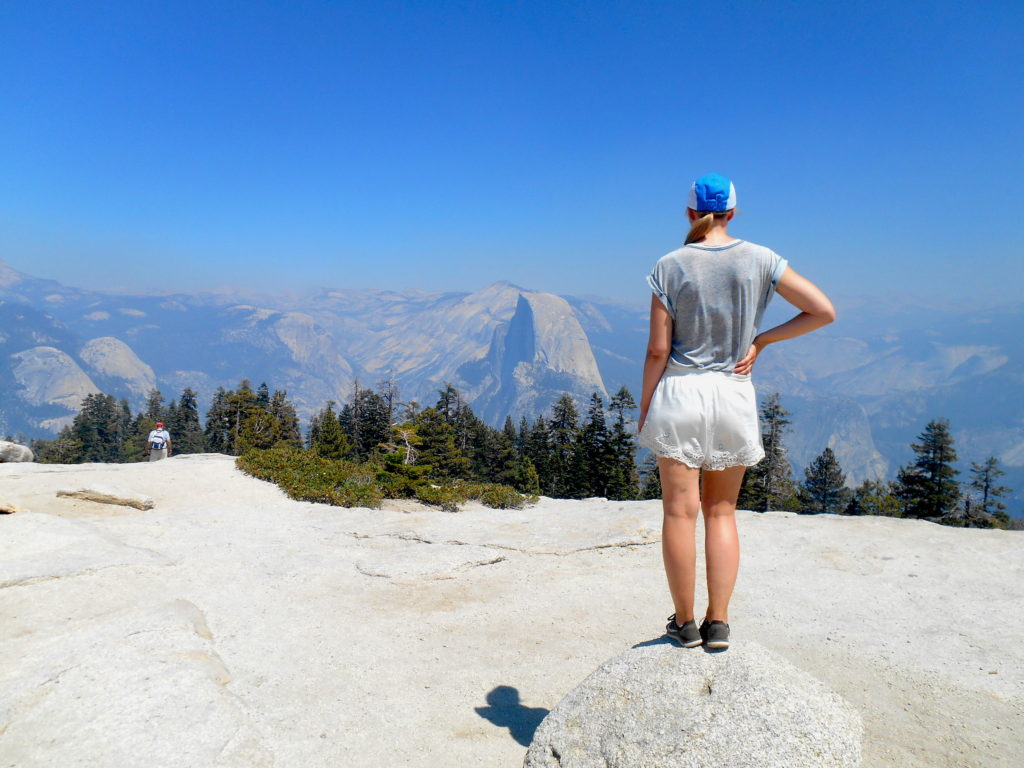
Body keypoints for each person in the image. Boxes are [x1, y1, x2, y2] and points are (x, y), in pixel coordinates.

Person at [638, 173, 835, 649]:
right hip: (733, 392)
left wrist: (646, 407)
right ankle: (718, 623)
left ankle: (684, 624)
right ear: (732, 212)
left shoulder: (670, 265)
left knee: (679, 514)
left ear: (689, 213)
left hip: (681, 394)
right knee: (722, 513)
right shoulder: (763, 259)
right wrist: (762, 340)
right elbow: (822, 310)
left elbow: (657, 351)